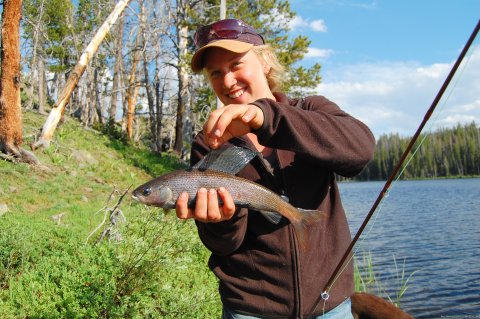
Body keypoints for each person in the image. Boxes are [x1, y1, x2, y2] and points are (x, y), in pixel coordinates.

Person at [175, 18, 376, 319]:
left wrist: (265, 118)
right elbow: (225, 244)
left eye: (236, 64)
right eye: (216, 73)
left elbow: (361, 150)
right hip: (250, 310)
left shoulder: (309, 112)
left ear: (265, 62)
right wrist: (221, 221)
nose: (227, 81)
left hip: (330, 306)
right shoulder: (211, 142)